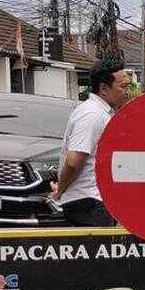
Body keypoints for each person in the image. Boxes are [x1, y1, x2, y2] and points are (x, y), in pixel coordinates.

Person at [51, 59, 129, 226]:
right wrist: (61, 191)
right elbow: (73, 162)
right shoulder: (92, 114)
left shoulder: (102, 113)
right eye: (123, 87)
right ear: (103, 88)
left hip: (94, 202)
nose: (127, 92)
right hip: (88, 204)